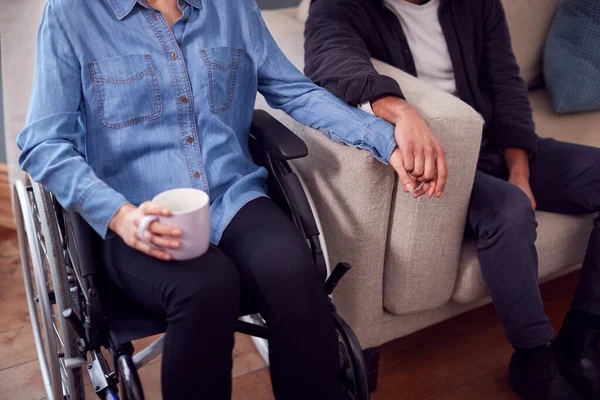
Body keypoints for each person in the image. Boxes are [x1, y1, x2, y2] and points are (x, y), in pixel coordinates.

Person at [16, 0, 416, 398]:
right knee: (206, 286)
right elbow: (43, 143)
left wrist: (384, 140)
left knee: (294, 274)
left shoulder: (233, 7)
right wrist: (120, 216)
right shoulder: (73, 14)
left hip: (233, 196)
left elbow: (294, 91)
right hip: (137, 215)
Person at [304, 0, 600, 399]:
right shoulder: (340, 5)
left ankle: (582, 341)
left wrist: (520, 172)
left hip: (495, 142)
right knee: (509, 212)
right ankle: (534, 361)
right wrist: (402, 110)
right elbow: (330, 61)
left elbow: (506, 82)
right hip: (443, 161)